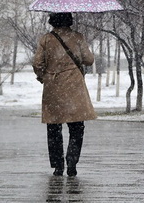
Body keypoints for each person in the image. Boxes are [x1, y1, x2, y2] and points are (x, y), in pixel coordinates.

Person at [33, 12, 96, 177]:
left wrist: (42, 77)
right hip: (75, 88)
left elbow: (37, 63)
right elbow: (89, 60)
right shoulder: (77, 37)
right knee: (77, 127)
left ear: (52, 21)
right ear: (69, 20)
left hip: (53, 88)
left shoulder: (46, 39)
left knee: (54, 127)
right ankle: (72, 162)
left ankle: (58, 166)